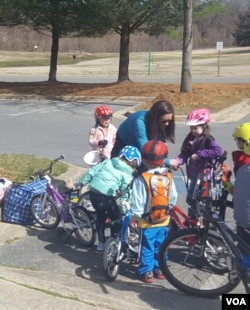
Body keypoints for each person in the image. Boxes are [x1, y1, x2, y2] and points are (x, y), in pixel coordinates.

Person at [75, 145, 141, 252]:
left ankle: (101, 243)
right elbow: (126, 192)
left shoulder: (107, 162)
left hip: (93, 193)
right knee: (115, 218)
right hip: (107, 197)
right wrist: (125, 209)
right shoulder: (127, 173)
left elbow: (91, 172)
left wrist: (80, 184)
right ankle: (114, 240)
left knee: (100, 216)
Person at [130, 140, 178, 283]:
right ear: (163, 159)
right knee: (161, 245)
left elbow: (138, 201)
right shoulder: (168, 176)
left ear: (143, 158)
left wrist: (135, 217)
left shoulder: (142, 179)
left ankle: (146, 272)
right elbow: (173, 197)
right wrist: (167, 208)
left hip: (147, 221)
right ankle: (160, 269)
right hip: (163, 219)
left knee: (147, 247)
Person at [173, 108, 223, 212]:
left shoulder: (208, 140)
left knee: (200, 200)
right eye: (191, 128)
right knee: (192, 200)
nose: (192, 130)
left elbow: (218, 151)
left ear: (204, 126)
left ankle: (202, 222)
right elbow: (185, 154)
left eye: (195, 128)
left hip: (205, 177)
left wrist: (201, 154)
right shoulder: (191, 139)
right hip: (195, 176)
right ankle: (195, 220)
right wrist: (177, 161)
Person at [111, 97, 176, 167]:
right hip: (124, 141)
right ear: (155, 118)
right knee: (121, 167)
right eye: (163, 121)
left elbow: (160, 147)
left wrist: (167, 162)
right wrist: (168, 162)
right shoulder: (140, 122)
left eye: (169, 121)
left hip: (143, 141)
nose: (167, 124)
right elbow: (146, 151)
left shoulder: (161, 124)